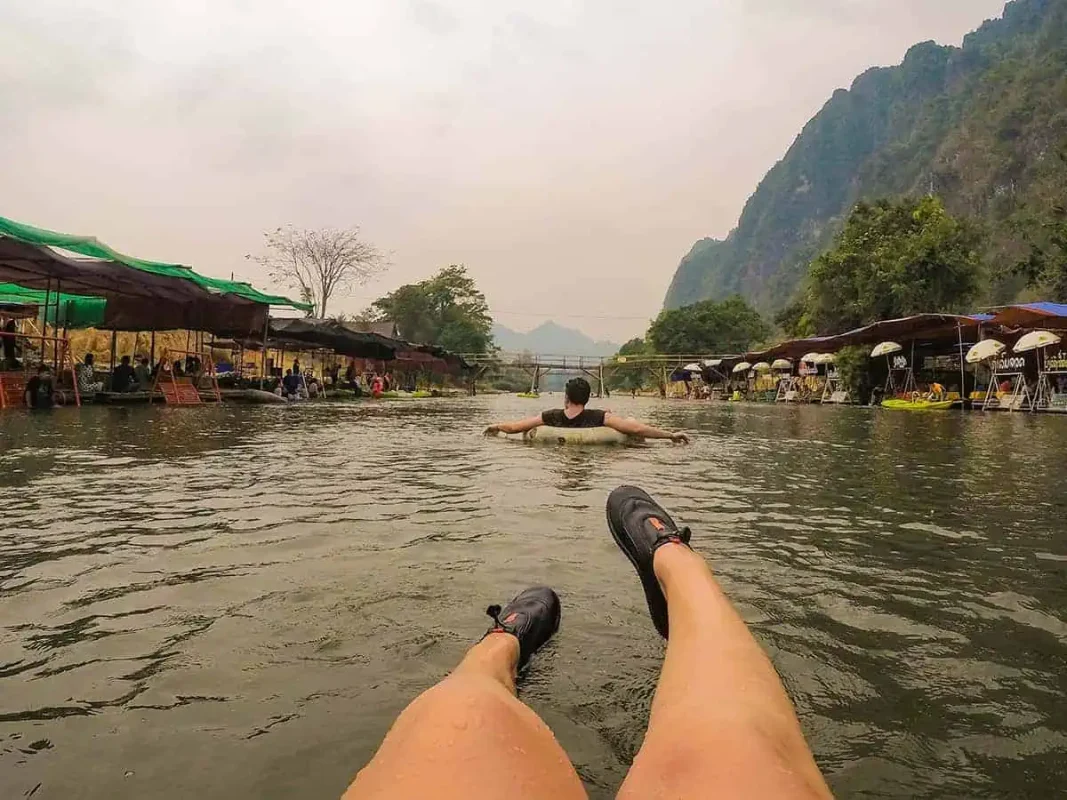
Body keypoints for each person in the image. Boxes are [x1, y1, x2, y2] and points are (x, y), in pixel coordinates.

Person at [343, 486, 832, 799]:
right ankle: (677, 565)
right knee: (734, 740)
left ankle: (500, 647)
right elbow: (625, 423)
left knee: (460, 709)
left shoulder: (557, 419)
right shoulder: (597, 419)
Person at [484, 377, 689, 443]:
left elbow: (515, 427)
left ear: (566, 398)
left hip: (553, 440)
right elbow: (635, 429)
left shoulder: (550, 416)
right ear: (588, 398)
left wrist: (495, 426)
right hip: (599, 444)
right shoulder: (598, 417)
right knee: (630, 421)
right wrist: (670, 435)